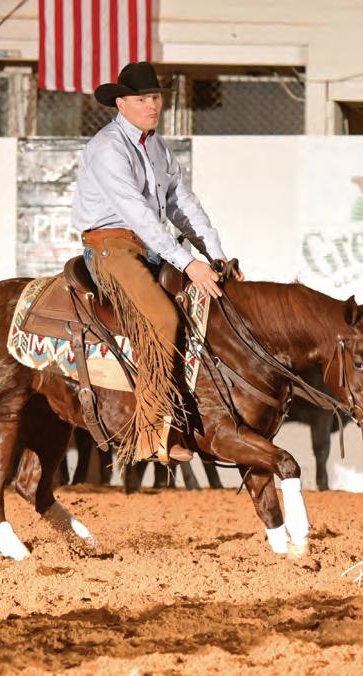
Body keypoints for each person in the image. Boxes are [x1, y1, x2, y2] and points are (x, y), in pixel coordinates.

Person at [71, 61, 243, 465]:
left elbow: (183, 204)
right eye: (142, 99)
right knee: (163, 320)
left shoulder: (157, 147)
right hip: (112, 248)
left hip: (149, 247)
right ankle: (150, 434)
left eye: (155, 97)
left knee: (201, 310)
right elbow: (141, 217)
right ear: (121, 104)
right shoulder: (108, 149)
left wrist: (216, 254)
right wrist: (188, 263)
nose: (152, 105)